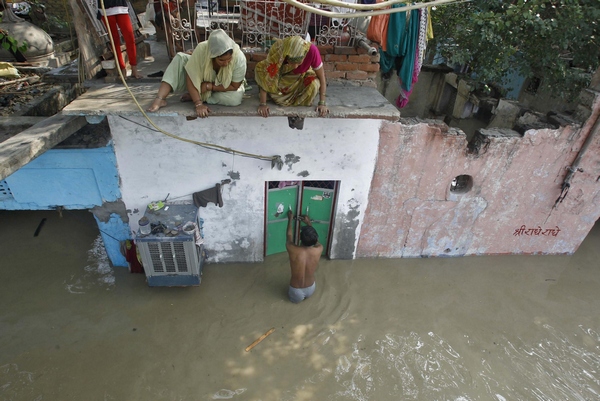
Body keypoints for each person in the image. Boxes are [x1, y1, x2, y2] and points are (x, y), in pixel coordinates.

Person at [147, 29, 247, 118]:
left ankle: (196, 95)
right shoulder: (202, 49)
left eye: (229, 59)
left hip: (223, 87)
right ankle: (160, 99)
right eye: (221, 60)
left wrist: (209, 87)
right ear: (212, 55)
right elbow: (191, 76)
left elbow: (234, 86)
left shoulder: (239, 57)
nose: (225, 63)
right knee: (180, 58)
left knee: (235, 98)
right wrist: (198, 104)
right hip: (199, 82)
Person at [255, 36, 329, 118]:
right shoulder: (279, 49)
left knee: (315, 84)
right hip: (282, 79)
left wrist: (322, 103)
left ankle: (298, 104)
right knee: (268, 82)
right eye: (292, 62)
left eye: (298, 62)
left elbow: (322, 78)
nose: (295, 66)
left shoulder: (312, 51)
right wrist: (263, 104)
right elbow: (267, 77)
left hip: (300, 77)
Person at [97, 0, 142, 79]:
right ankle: (122, 70)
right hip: (106, 9)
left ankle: (134, 68)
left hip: (121, 7)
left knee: (130, 37)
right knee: (114, 41)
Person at [285, 210, 323, 304]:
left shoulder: (292, 248)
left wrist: (290, 219)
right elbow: (315, 239)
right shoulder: (319, 249)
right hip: (311, 288)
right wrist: (308, 223)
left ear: (300, 238)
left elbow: (289, 235)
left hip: (296, 290)